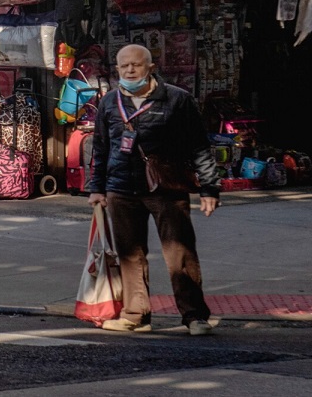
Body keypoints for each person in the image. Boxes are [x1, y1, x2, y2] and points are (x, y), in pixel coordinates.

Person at [88, 43, 220, 336]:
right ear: (117, 70)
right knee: (130, 255)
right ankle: (136, 315)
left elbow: (199, 147)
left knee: (180, 254)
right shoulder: (109, 102)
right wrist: (96, 187)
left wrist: (210, 188)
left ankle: (194, 316)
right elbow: (99, 148)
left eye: (136, 65)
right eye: (124, 66)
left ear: (151, 68)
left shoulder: (177, 100)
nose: (130, 70)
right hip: (120, 188)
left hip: (166, 188)